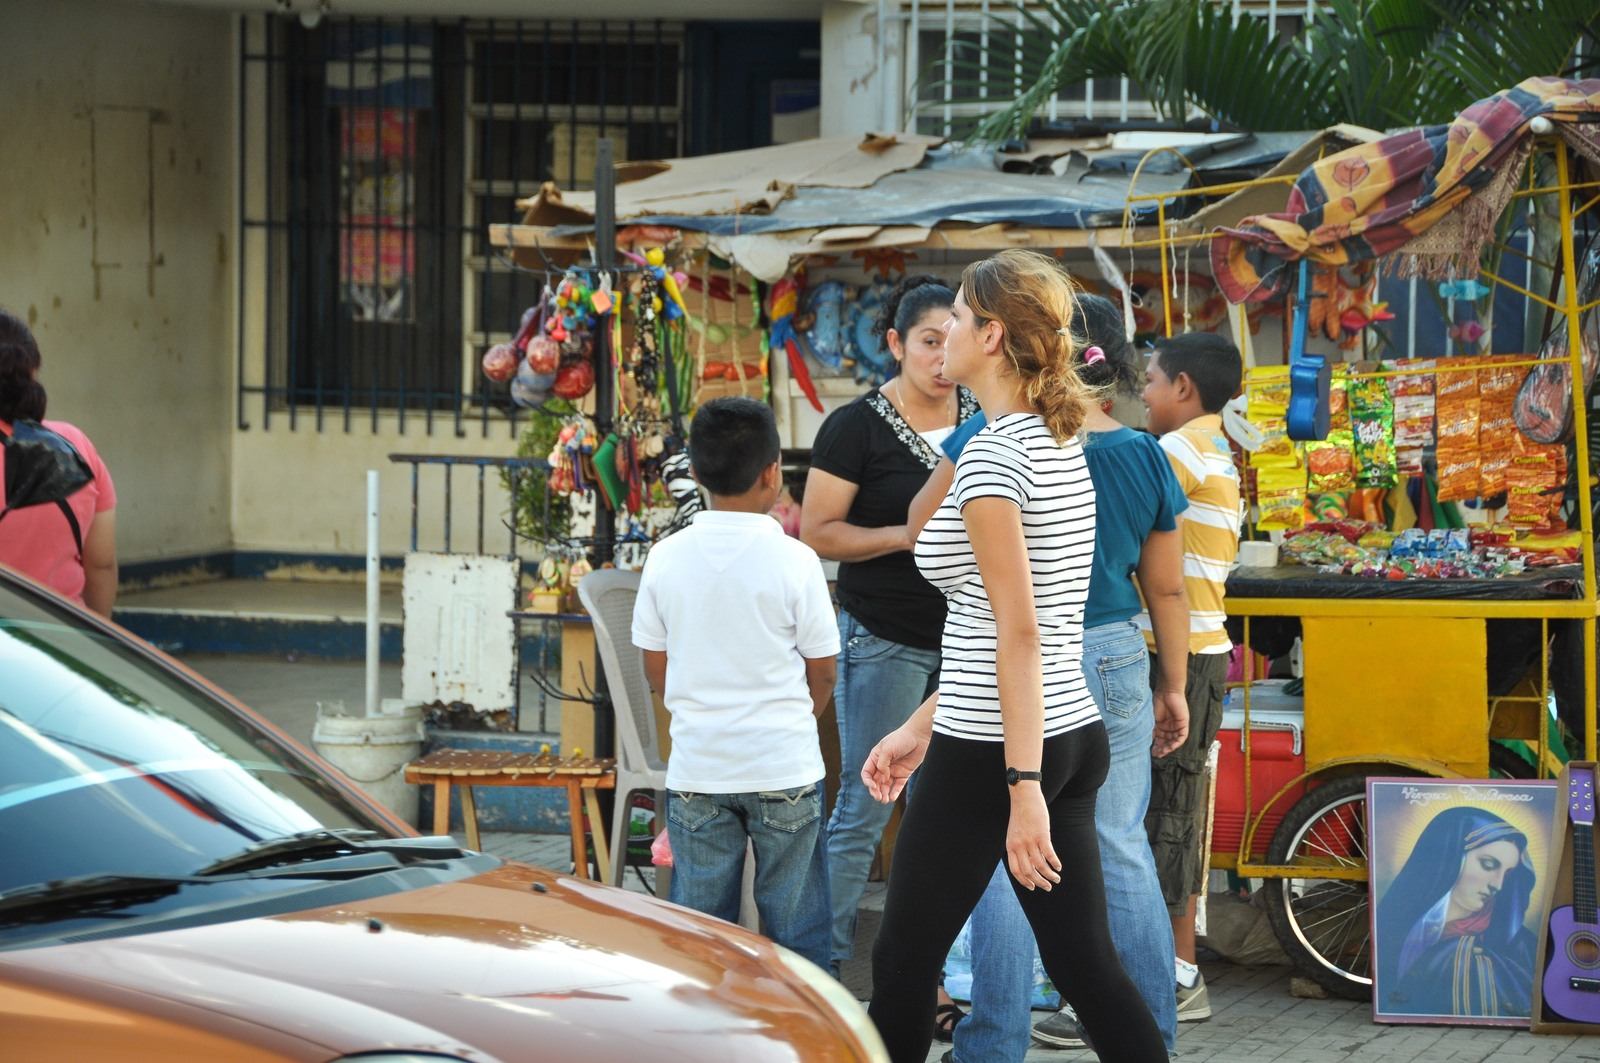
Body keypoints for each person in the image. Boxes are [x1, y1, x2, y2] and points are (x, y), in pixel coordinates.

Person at [861, 249, 1168, 1063]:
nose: (946, 332)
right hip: (1059, 729)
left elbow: (1021, 628)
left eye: (957, 317)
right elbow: (999, 622)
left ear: (992, 335)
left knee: (901, 962)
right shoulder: (1049, 436)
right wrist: (923, 724)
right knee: (1085, 965)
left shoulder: (998, 453)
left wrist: (1021, 787)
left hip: (1003, 748)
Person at [801, 275, 979, 988]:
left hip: (968, 640)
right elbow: (818, 530)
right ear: (896, 343)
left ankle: (940, 973)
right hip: (885, 637)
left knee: (951, 811)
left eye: (951, 340)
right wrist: (904, 538)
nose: (941, 357)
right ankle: (822, 967)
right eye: (927, 342)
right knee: (864, 806)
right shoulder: (856, 426)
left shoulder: (982, 417)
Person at [631, 397, 837, 969]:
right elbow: (822, 670)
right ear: (773, 472)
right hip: (785, 767)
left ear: (694, 473)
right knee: (799, 934)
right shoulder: (797, 560)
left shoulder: (665, 559)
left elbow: (655, 665)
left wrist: (697, 713)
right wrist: (795, 719)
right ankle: (807, 1046)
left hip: (700, 769)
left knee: (699, 941)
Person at [1138, 331, 1245, 1021]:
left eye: (1149, 380)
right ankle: (1167, 969)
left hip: (1177, 656)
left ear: (1183, 387)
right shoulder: (1214, 446)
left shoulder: (1179, 450)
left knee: (1167, 817)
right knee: (1167, 814)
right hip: (1196, 652)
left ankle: (1177, 977)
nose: (1142, 393)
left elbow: (1120, 527)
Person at [0, 309, 118, 616]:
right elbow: (102, 564)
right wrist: (92, 644)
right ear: (33, 371)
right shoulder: (75, 445)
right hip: (61, 643)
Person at [1374, 806, 1537, 1018]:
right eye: (1488, 865)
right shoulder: (1396, 921)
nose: (1497, 885)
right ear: (1450, 856)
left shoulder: (1516, 945)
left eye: (1508, 874)